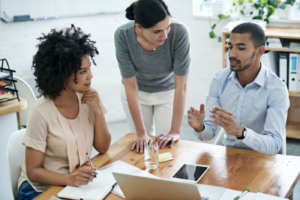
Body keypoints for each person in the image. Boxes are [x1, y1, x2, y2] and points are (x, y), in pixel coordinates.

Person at [17, 25, 111, 200]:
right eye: (83, 71)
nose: (90, 76)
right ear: (62, 75)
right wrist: (71, 179)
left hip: (76, 185)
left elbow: (103, 147)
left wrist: (97, 111)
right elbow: (33, 171)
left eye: (89, 68)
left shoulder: (90, 98)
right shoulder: (41, 111)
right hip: (39, 189)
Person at [188, 22, 289, 156]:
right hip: (229, 156)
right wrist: (199, 127)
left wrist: (240, 132)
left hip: (263, 159)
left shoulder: (276, 89)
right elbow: (208, 135)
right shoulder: (219, 80)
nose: (232, 54)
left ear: (260, 51)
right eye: (230, 47)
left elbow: (274, 145)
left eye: (241, 48)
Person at [114, 0, 191, 153]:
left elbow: (181, 86)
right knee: (143, 147)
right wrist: (141, 133)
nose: (165, 35)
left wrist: (175, 131)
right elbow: (130, 86)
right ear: (139, 28)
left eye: (167, 27)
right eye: (157, 32)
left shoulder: (180, 31)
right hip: (137, 92)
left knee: (168, 147)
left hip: (167, 92)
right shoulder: (123, 35)